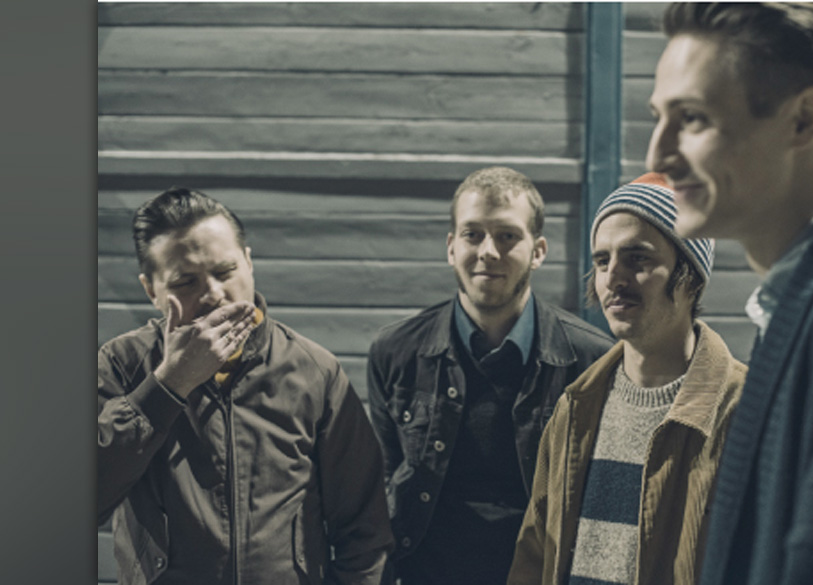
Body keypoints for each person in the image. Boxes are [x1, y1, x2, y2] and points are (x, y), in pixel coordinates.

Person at [97, 187, 394, 585]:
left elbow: (366, 533)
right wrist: (168, 386)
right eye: (185, 281)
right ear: (151, 290)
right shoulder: (121, 365)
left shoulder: (314, 372)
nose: (214, 294)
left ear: (249, 263)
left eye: (225, 272)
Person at [645, 3, 813, 584]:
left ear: (803, 120)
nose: (657, 156)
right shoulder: (799, 304)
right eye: (658, 117)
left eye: (692, 118)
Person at [366, 166, 614, 585]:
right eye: (473, 234)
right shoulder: (395, 353)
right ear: (451, 247)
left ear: (538, 251)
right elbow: (384, 484)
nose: (488, 251)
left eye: (507, 236)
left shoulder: (592, 360)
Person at [507, 173, 747, 585]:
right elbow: (534, 556)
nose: (613, 278)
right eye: (602, 261)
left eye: (638, 259)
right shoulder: (575, 408)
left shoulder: (746, 413)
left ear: (690, 275)